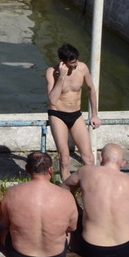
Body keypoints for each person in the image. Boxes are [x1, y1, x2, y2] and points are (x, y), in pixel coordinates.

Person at [64, 143, 129, 257]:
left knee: (75, 223)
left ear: (100, 158)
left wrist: (78, 210)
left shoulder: (85, 172)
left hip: (93, 250)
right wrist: (128, 215)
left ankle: (73, 247)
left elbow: (64, 188)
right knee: (128, 225)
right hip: (126, 251)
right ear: (123, 163)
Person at [0, 151, 78, 257]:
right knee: (67, 233)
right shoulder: (66, 195)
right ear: (51, 170)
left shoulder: (12, 193)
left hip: (20, 255)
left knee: (0, 226)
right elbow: (72, 227)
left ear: (27, 168)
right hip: (56, 256)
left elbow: (4, 223)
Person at [46, 43, 100, 179]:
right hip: (57, 114)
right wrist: (62, 77)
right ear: (63, 62)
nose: (75, 65)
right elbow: (52, 100)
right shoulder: (51, 72)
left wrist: (94, 114)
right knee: (64, 158)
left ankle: (91, 187)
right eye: (72, 63)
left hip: (76, 114)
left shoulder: (82, 68)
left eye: (76, 61)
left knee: (88, 157)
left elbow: (91, 89)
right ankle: (67, 192)